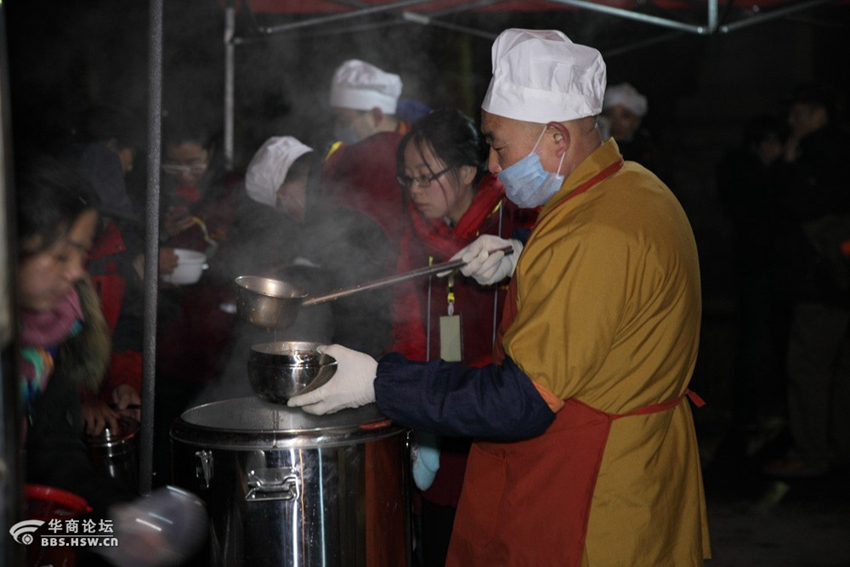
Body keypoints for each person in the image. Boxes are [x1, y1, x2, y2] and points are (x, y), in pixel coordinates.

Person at [289, 29, 710, 566]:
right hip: (639, 471)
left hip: (590, 499)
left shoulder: (593, 234)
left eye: (497, 144)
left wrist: (377, 381)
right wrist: (524, 254)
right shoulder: (636, 188)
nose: (490, 164)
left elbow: (521, 401)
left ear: (557, 138)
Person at [392, 108, 529, 566]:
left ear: (469, 170)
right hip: (436, 410)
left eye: (425, 177)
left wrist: (520, 257)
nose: (414, 190)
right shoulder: (417, 235)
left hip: (492, 411)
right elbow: (407, 321)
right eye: (407, 178)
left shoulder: (509, 222)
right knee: (436, 539)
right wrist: (415, 405)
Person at [763, 84, 850, 478]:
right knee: (837, 369)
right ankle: (834, 448)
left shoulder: (818, 153)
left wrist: (784, 163)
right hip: (836, 279)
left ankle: (811, 452)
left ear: (818, 114)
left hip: (823, 280)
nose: (791, 122)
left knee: (809, 366)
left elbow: (792, 202)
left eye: (798, 113)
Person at [716, 114, 789, 437]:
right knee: (753, 342)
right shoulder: (745, 172)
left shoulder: (764, 172)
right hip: (757, 267)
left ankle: (769, 411)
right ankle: (748, 414)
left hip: (772, 268)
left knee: (772, 341)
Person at [321, 59, 410, 275]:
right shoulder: (340, 156)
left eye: (343, 119)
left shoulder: (420, 154)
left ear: (376, 116)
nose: (338, 128)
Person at [601, 82, 657, 169]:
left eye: (625, 116)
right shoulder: (593, 151)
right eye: (610, 115)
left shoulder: (647, 155)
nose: (617, 123)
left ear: (636, 121)